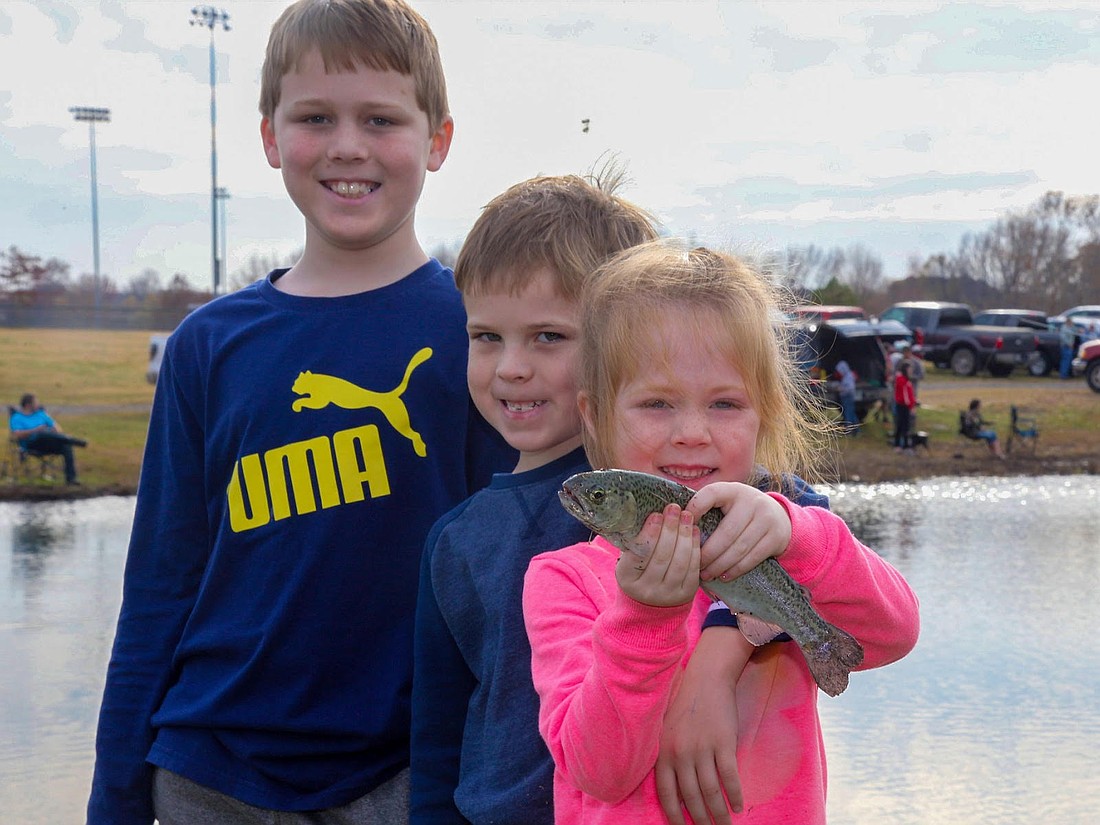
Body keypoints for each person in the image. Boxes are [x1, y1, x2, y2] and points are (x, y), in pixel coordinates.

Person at [87, 2, 515, 823]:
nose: (348, 145)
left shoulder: (481, 337)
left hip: (408, 776)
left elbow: (524, 570)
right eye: (316, 117)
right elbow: (158, 589)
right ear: (271, 137)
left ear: (437, 140)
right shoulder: (207, 346)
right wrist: (115, 798)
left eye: (380, 119)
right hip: (210, 774)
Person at [522, 241, 920, 824]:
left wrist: (799, 536)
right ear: (595, 416)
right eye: (657, 403)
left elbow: (895, 633)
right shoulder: (563, 581)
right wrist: (645, 620)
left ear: (765, 415)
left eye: (725, 405)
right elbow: (599, 771)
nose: (692, 432)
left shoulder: (781, 542)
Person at [409, 170, 659, 824]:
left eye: (548, 336)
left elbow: (798, 520)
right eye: (486, 336)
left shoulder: (669, 493)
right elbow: (438, 739)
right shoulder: (456, 541)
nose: (511, 367)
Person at [8, 392, 87, 485]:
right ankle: (70, 439)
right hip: (32, 444)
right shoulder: (17, 417)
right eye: (36, 402)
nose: (38, 404)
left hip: (49, 442)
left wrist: (54, 430)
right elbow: (17, 434)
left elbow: (58, 428)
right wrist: (35, 430)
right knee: (41, 434)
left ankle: (71, 479)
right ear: (28, 405)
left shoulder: (41, 414)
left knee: (66, 447)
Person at [893, 360, 916, 453]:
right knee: (903, 426)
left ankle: (900, 444)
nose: (911, 371)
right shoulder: (902, 380)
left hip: (905, 405)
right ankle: (904, 445)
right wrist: (911, 406)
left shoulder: (906, 380)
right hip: (903, 406)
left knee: (902, 425)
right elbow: (905, 396)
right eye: (909, 369)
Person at [835, 360, 859, 435]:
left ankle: (849, 430)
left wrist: (842, 389)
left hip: (848, 396)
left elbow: (850, 388)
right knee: (851, 413)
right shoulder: (846, 376)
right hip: (846, 396)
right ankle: (856, 430)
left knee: (848, 413)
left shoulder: (849, 376)